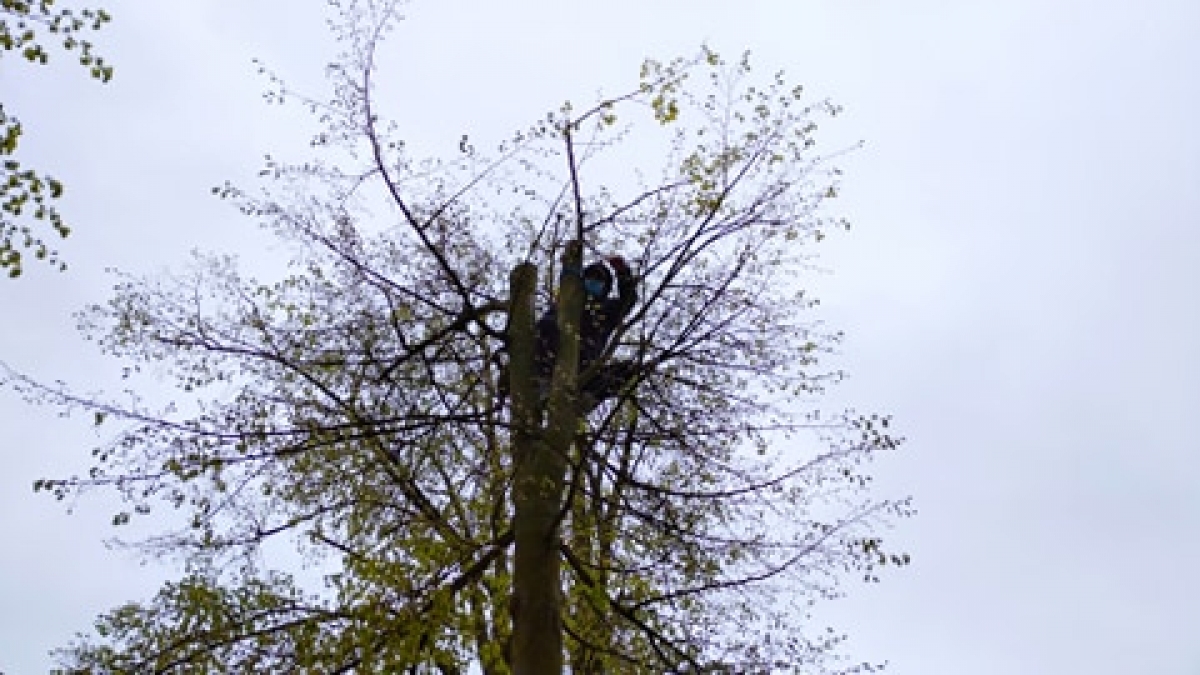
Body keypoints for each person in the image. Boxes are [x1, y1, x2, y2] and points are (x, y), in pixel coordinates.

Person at [535, 255, 637, 403]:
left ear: (606, 286)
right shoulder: (565, 306)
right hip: (551, 362)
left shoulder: (608, 309)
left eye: (598, 279)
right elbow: (542, 327)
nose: (593, 281)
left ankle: (583, 401)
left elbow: (628, 301)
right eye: (590, 277)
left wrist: (622, 272)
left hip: (584, 368)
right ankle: (543, 386)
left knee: (625, 370)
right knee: (547, 325)